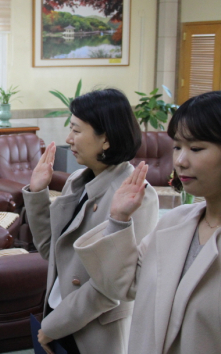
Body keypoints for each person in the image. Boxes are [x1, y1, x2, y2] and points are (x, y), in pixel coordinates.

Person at [74, 91, 221, 354]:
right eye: (177, 147)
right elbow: (123, 285)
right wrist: (119, 219)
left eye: (196, 148)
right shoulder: (174, 223)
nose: (180, 161)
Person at [23, 88, 158, 354]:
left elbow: (112, 287)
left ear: (105, 139)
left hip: (93, 329)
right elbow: (51, 250)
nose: (68, 139)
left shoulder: (137, 195)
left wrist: (55, 325)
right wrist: (38, 192)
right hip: (59, 313)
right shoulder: (78, 181)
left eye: (76, 130)